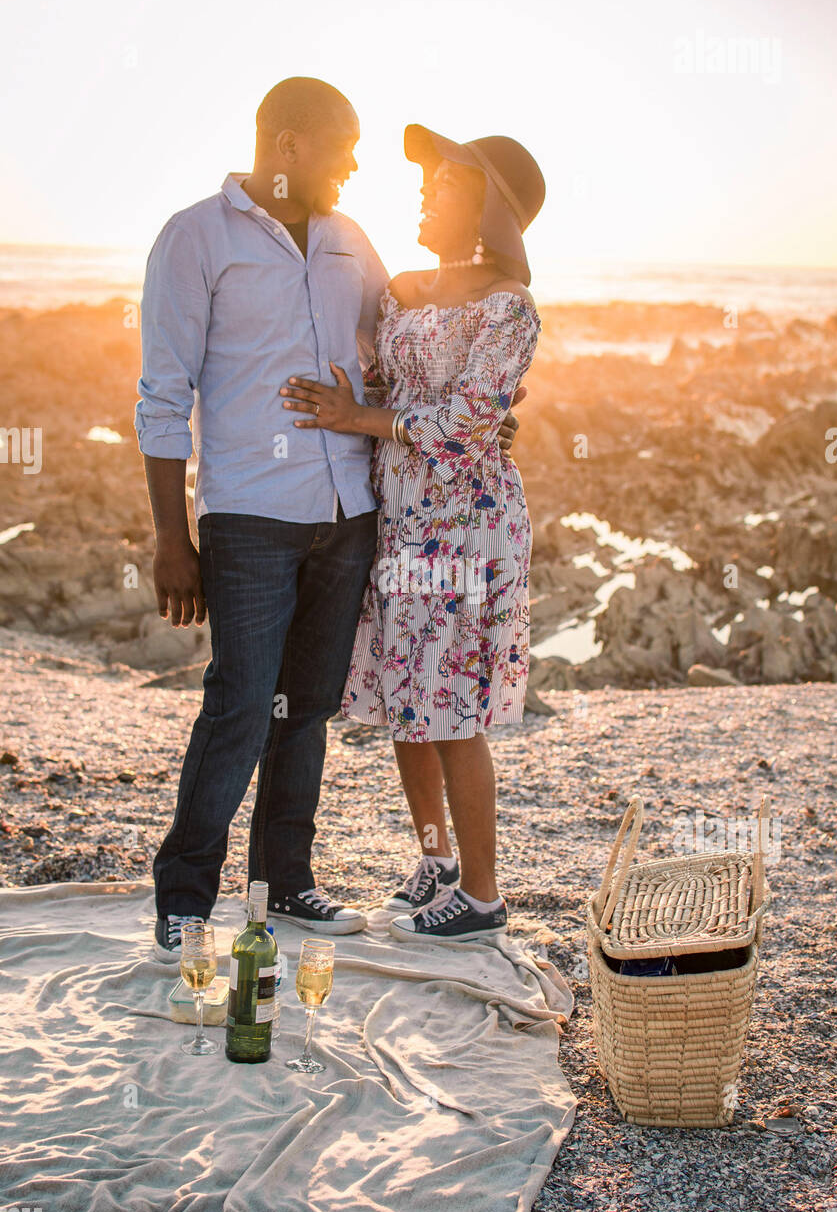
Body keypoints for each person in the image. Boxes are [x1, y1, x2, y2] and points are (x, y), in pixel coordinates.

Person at [135, 79, 521, 961]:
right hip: (251, 516)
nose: (355, 165)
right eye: (344, 147)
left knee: (302, 709)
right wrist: (170, 536)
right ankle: (186, 895)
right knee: (238, 705)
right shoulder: (194, 237)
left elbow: (399, 350)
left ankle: (283, 884)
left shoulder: (352, 243)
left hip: (351, 513)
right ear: (290, 145)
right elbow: (162, 396)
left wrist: (491, 404)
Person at [280, 125, 545, 941]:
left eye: (445, 183)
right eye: (426, 182)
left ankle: (484, 895)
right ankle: (434, 861)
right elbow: (396, 386)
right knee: (410, 697)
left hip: (466, 527)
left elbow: (468, 422)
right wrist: (365, 404)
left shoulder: (510, 307)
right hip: (399, 518)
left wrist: (364, 416)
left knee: (452, 703)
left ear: (488, 206)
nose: (426, 193)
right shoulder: (401, 287)